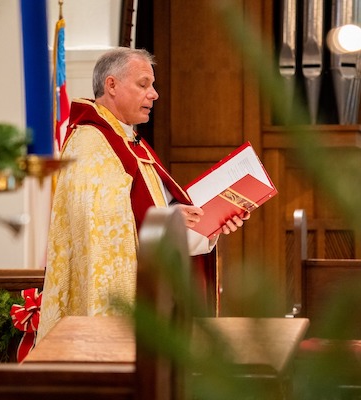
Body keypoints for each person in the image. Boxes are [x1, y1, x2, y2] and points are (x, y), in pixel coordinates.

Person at [37, 47, 248, 342]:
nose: (154, 94)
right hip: (129, 315)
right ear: (111, 85)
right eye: (143, 84)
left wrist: (213, 222)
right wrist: (170, 218)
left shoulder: (131, 143)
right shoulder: (91, 146)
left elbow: (159, 212)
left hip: (160, 300)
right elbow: (106, 231)